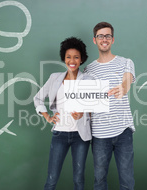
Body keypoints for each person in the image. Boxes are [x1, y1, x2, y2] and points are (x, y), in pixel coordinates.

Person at [33, 37, 93, 190]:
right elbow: (38, 98)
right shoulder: (55, 78)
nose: (72, 60)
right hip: (60, 134)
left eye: (76, 57)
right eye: (68, 57)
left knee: (79, 179)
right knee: (52, 178)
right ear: (64, 58)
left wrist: (83, 112)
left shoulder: (89, 80)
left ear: (81, 60)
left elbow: (95, 107)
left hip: (81, 136)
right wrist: (47, 116)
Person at [84, 22, 136, 190]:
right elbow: (87, 102)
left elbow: (127, 80)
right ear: (95, 40)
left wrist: (123, 87)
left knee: (127, 182)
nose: (104, 39)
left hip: (123, 132)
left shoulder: (126, 62)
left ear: (112, 40)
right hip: (99, 135)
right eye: (100, 36)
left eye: (107, 36)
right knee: (99, 181)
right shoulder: (87, 70)